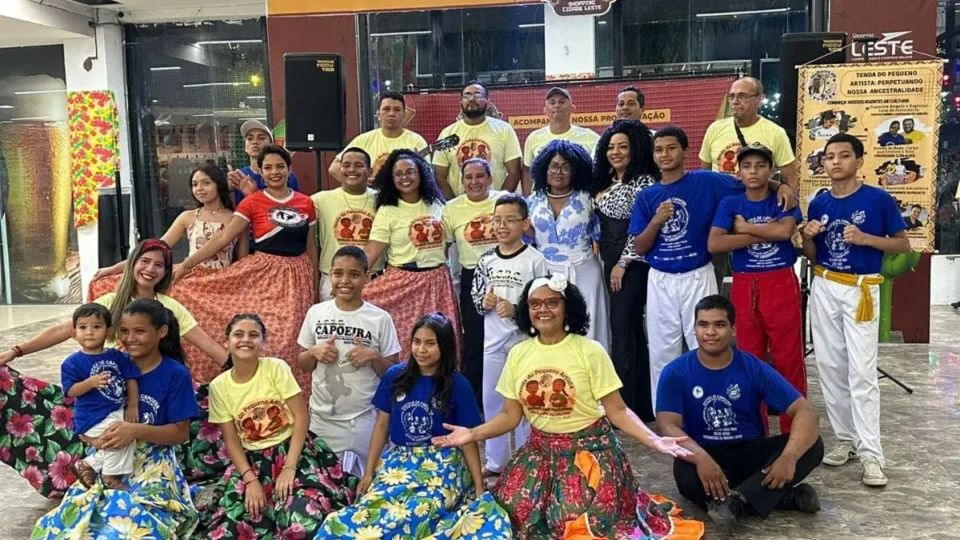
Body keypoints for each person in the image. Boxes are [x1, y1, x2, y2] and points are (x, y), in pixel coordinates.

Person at [434, 276, 704, 540]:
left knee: (572, 523)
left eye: (552, 302)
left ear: (567, 308)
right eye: (535, 304)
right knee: (510, 514)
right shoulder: (518, 353)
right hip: (539, 452)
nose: (543, 309)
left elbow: (618, 411)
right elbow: (509, 416)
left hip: (589, 453)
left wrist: (654, 440)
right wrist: (473, 434)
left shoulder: (590, 351)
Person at [631, 127, 796, 411]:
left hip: (698, 272)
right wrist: (657, 221)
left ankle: (708, 410)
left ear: (685, 152)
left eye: (671, 148)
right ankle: (666, 415)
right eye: (659, 150)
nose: (665, 154)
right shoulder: (648, 196)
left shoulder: (707, 180)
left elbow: (749, 180)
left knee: (707, 345)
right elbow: (640, 247)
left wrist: (779, 186)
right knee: (661, 351)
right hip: (660, 278)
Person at [316, 312, 511, 540]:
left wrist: (478, 487)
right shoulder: (395, 376)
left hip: (443, 463)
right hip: (399, 460)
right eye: (416, 342)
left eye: (430, 343)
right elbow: (381, 427)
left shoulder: (458, 385)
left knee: (420, 509)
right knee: (371, 507)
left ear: (445, 346)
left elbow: (468, 440)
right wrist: (368, 474)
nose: (421, 350)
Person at [31, 299, 200, 538]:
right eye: (124, 331)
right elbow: (87, 412)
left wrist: (135, 430)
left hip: (153, 464)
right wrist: (94, 439)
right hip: (108, 456)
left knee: (130, 527)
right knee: (72, 527)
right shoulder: (111, 364)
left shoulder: (175, 374)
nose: (130, 339)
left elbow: (180, 434)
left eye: (139, 331)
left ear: (161, 332)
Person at [656, 295, 824, 533]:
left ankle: (734, 501)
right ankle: (780, 497)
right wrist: (701, 458)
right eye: (703, 324)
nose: (710, 332)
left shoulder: (752, 366)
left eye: (719, 324)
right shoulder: (676, 371)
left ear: (733, 329)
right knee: (686, 475)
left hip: (750, 455)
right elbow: (666, 425)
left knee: (813, 445)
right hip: (704, 453)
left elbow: (806, 412)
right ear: (694, 329)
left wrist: (788, 458)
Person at [802, 133, 910, 487]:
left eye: (844, 155)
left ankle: (871, 454)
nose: (835, 162)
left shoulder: (877, 199)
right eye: (829, 156)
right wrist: (807, 237)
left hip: (861, 289)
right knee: (830, 367)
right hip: (825, 284)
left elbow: (902, 244)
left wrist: (865, 239)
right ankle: (845, 439)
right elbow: (813, 255)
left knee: (861, 372)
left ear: (859, 160)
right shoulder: (819, 202)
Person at [173, 144, 319, 390]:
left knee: (293, 342)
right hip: (264, 276)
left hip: (297, 278)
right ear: (260, 172)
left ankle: (293, 397)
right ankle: (256, 392)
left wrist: (314, 287)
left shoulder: (306, 202)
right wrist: (187, 265)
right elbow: (223, 237)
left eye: (280, 166)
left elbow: (311, 247)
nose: (274, 172)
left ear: (289, 169)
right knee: (269, 340)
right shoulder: (253, 201)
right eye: (268, 167)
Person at [197, 314, 357, 538]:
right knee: (231, 528)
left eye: (254, 335)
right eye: (238, 334)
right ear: (226, 342)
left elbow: (301, 416)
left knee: (301, 521)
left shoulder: (275, 368)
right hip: (252, 463)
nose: (246, 340)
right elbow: (231, 442)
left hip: (293, 452)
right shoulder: (219, 387)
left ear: (264, 343)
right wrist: (250, 480)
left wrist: (289, 469)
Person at [0, 239, 227, 378]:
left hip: (157, 384)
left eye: (159, 265)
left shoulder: (170, 307)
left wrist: (244, 376)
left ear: (166, 273)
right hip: (110, 386)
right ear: (132, 264)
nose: (150, 269)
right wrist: (16, 351)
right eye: (145, 261)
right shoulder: (109, 303)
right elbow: (63, 329)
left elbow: (209, 346)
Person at [708, 143, 806, 433]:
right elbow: (715, 243)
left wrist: (744, 229)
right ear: (738, 172)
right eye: (747, 166)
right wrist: (764, 234)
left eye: (761, 165)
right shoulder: (731, 203)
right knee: (749, 359)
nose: (754, 171)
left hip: (780, 280)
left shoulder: (782, 198)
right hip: (745, 282)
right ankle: (754, 432)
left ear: (771, 171)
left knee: (788, 358)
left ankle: (793, 432)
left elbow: (785, 231)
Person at [296, 246, 400, 477]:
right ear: (329, 276)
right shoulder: (316, 313)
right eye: (338, 273)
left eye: (354, 274)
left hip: (365, 419)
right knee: (323, 484)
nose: (345, 281)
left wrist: (373, 357)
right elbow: (302, 364)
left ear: (367, 277)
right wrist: (313, 352)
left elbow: (394, 372)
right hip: (322, 420)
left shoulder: (380, 318)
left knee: (370, 482)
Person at [471, 193, 548, 478]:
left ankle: (529, 460)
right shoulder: (486, 260)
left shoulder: (536, 260)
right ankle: (496, 461)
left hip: (525, 343)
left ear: (525, 223)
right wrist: (485, 303)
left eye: (510, 220)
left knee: (528, 400)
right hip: (493, 344)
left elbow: (545, 305)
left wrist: (517, 311)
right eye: (497, 220)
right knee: (494, 402)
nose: (502, 226)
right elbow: (476, 298)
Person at [363, 149, 461, 362]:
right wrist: (353, 278)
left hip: (437, 281)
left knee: (440, 341)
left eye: (410, 171)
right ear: (391, 178)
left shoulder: (437, 204)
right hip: (403, 282)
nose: (404, 177)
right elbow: (372, 250)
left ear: (421, 174)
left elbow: (449, 240)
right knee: (406, 341)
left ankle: (440, 383)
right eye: (398, 174)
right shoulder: (388, 210)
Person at [592, 119, 658, 420]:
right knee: (629, 330)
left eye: (623, 147)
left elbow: (640, 227)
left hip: (630, 264)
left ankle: (624, 407)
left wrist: (622, 263)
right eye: (611, 147)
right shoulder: (608, 180)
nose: (615, 152)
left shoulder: (643, 181)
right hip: (609, 259)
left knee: (622, 330)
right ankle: (640, 405)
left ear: (636, 149)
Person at [90, 164, 248, 289]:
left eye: (206, 183)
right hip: (190, 279)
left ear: (219, 185)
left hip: (224, 282)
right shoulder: (188, 217)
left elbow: (242, 263)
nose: (199, 189)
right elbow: (156, 248)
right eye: (194, 184)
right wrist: (112, 269)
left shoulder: (238, 219)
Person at [527, 139, 610, 349]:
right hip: (545, 271)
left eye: (566, 167)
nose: (559, 172)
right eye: (554, 166)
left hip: (584, 269)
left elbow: (602, 234)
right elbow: (529, 236)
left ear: (576, 170)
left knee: (591, 329)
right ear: (544, 168)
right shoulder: (533, 201)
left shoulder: (589, 198)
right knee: (550, 326)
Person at [441, 158, 502, 405]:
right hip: (472, 277)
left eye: (480, 176)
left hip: (506, 273)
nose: (474, 182)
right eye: (469, 177)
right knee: (475, 340)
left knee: (509, 335)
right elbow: (443, 247)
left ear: (490, 178)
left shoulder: (504, 200)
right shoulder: (451, 208)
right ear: (462, 181)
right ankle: (474, 402)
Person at [63, 303, 140, 490]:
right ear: (74, 333)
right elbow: (70, 391)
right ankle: (109, 476)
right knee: (120, 436)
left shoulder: (117, 356)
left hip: (116, 411)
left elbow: (131, 379)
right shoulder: (72, 363)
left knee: (127, 438)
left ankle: (88, 464)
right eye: (83, 327)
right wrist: (90, 383)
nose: (89, 332)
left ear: (108, 332)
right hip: (92, 416)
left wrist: (133, 406)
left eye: (96, 327)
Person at [700, 77, 799, 191]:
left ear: (759, 100)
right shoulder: (714, 129)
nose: (735, 101)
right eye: (732, 96)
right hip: (720, 200)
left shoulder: (776, 133)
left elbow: (791, 178)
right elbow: (705, 174)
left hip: (756, 200)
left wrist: (789, 197)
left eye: (742, 96)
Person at [312, 147, 384, 301]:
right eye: (346, 165)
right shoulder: (320, 199)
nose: (351, 169)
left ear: (370, 171)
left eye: (358, 165)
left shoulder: (383, 200)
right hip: (333, 280)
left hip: (373, 280)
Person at [433, 81, 522, 199]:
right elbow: (439, 176)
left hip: (495, 206)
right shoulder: (447, 133)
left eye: (478, 95)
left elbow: (514, 172)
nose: (472, 99)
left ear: (487, 102)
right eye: (467, 95)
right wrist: (454, 204)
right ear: (461, 102)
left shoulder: (504, 129)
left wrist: (500, 202)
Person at [329, 91, 428, 182]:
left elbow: (427, 174)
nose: (391, 114)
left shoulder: (416, 141)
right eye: (386, 109)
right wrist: (361, 183)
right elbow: (334, 167)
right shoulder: (364, 140)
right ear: (378, 114)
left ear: (404, 114)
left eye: (397, 110)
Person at [521, 87, 600, 195]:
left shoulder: (590, 137)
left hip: (581, 198)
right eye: (552, 102)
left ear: (572, 108)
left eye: (562, 102)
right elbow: (527, 170)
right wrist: (527, 199)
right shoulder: (533, 138)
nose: (557, 105)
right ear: (545, 110)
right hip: (543, 199)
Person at [229, 119, 300, 206]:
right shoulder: (239, 176)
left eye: (261, 138)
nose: (255, 142)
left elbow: (296, 207)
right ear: (245, 147)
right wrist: (229, 190)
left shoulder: (286, 176)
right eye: (250, 139)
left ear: (271, 144)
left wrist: (254, 195)